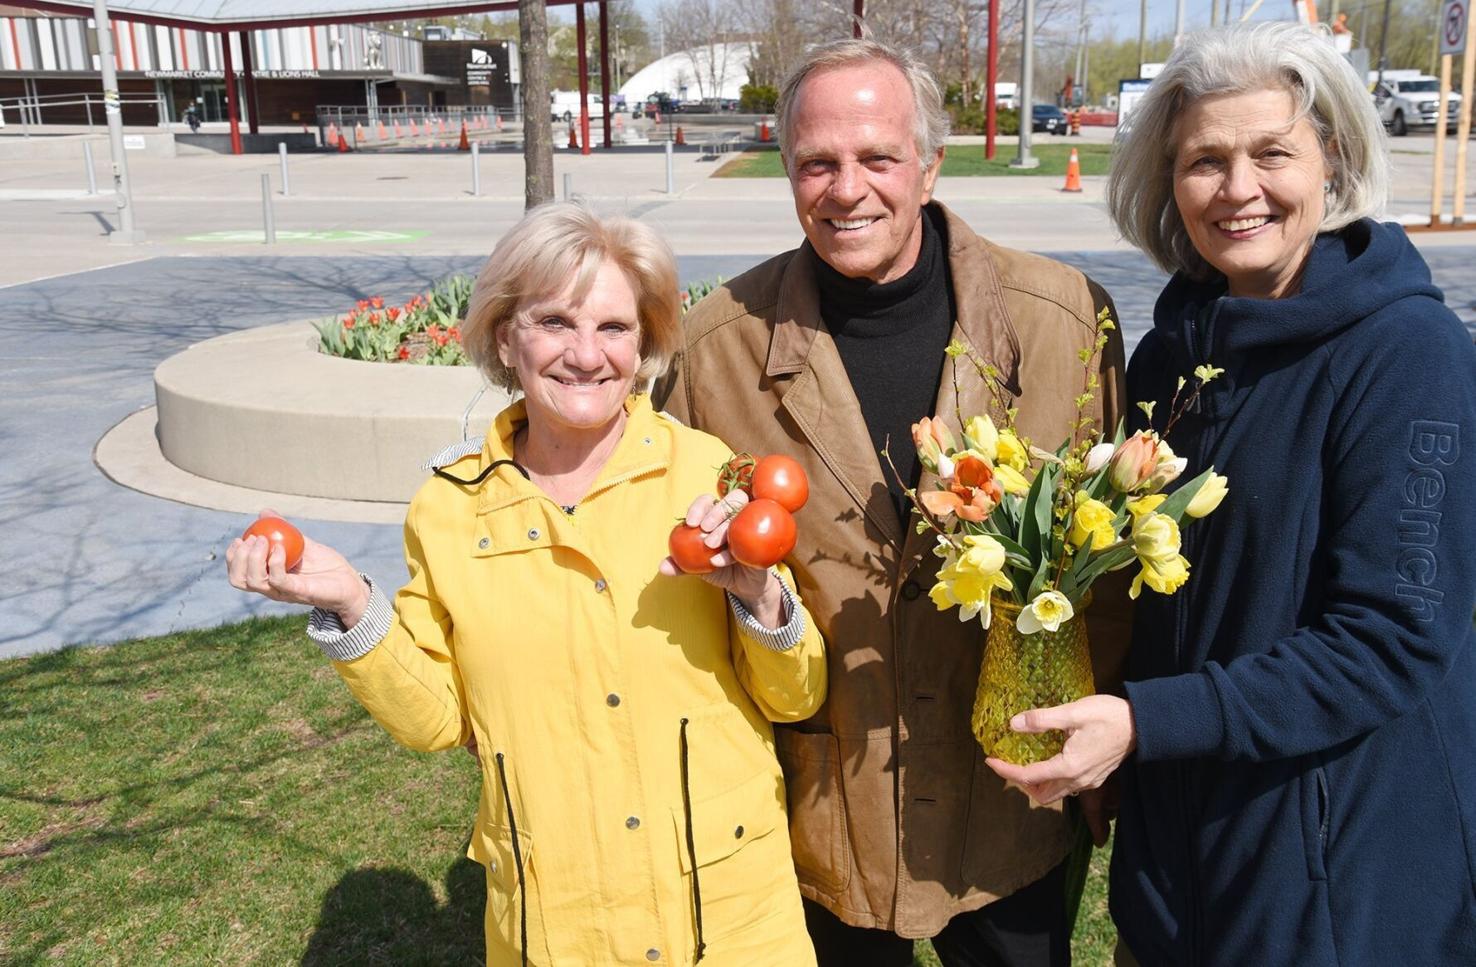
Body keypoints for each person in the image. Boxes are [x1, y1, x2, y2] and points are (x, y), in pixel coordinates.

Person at [986, 21, 1476, 965]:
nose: (1239, 189)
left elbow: (1390, 640)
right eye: (1205, 159)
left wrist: (1143, 723)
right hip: (1177, 878)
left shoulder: (1410, 361)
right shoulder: (1177, 356)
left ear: (1330, 157)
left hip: (1338, 893)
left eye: (1271, 152)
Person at [227, 203, 827, 967]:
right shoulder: (448, 507)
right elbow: (436, 718)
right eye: (554, 323)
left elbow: (795, 696)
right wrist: (350, 603)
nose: (586, 354)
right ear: (507, 336)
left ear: (643, 341)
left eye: (613, 327)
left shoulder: (706, 474)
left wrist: (758, 597)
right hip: (558, 924)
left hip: (727, 922)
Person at [656, 38, 1131, 967]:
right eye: (816, 162)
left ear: (930, 163)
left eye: (877, 156)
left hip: (1010, 801)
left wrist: (1101, 750)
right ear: (786, 169)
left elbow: (1110, 575)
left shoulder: (1064, 322)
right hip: (819, 817)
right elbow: (690, 584)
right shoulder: (717, 348)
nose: (847, 188)